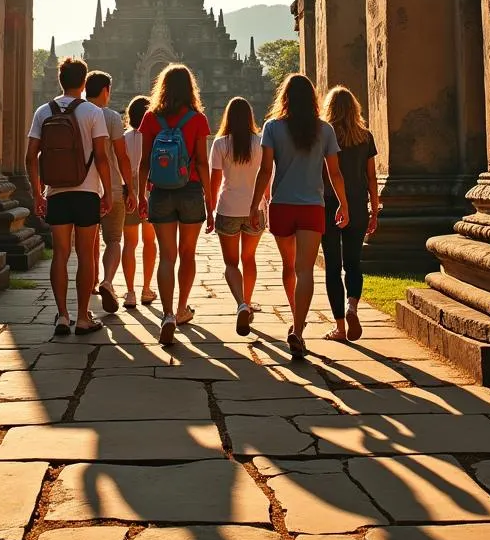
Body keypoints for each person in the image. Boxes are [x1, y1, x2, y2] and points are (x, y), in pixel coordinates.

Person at [249, 72, 348, 359]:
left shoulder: (272, 128)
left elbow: (265, 171)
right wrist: (344, 204)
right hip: (312, 206)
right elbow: (335, 172)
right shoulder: (325, 130)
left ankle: (296, 317)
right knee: (305, 270)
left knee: (289, 267)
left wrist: (255, 204)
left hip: (282, 205)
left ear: (285, 98)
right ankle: (298, 329)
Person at [26, 57, 113, 336]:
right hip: (87, 192)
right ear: (84, 82)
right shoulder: (92, 112)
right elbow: (101, 157)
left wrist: (37, 192)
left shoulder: (43, 111)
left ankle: (62, 315)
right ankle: (83, 316)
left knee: (60, 254)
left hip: (56, 192)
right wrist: (108, 193)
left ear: (59, 80)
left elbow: (31, 157)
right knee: (86, 254)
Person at [138, 64, 213, 345]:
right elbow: (203, 163)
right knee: (188, 253)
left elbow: (144, 163)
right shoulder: (198, 119)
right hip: (191, 190)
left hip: (160, 191)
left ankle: (167, 314)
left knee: (166, 256)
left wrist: (140, 195)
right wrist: (211, 198)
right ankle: (182, 308)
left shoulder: (150, 118)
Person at [321, 85, 379, 341]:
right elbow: (372, 178)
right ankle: (352, 306)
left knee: (332, 267)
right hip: (357, 205)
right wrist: (374, 210)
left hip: (328, 205)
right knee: (353, 263)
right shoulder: (365, 137)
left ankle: (340, 327)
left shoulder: (324, 136)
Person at [209, 97, 267, 336]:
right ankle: (248, 302)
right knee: (249, 258)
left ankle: (241, 303)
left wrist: (209, 210)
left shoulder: (221, 144)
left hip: (228, 208)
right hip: (255, 208)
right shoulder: (261, 142)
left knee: (231, 263)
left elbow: (215, 182)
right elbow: (267, 176)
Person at [85, 71, 137, 314]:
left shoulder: (78, 113)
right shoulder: (112, 116)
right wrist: (132, 189)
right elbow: (121, 156)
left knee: (88, 241)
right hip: (113, 188)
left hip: (83, 189)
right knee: (114, 240)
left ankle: (91, 283)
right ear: (106, 90)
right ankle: (107, 280)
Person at [121, 94, 157, 308]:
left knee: (130, 243)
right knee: (149, 242)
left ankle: (130, 292)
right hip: (151, 191)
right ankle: (146, 288)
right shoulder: (153, 137)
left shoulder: (124, 138)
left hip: (129, 193)